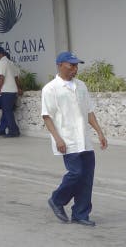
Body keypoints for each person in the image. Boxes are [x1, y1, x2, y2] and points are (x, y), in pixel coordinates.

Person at [43, 52, 107, 227]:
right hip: (67, 139)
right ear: (60, 65)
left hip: (84, 139)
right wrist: (57, 139)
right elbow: (47, 116)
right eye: (71, 65)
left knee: (86, 178)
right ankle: (57, 199)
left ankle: (80, 213)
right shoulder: (50, 88)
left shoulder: (81, 86)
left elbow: (89, 112)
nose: (75, 69)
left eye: (76, 65)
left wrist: (100, 132)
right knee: (76, 173)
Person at [0, 47, 22, 137]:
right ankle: (15, 130)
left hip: (6, 90)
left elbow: (1, 77)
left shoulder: (2, 63)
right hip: (13, 90)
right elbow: (16, 78)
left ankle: (13, 131)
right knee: (8, 111)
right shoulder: (11, 63)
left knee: (7, 112)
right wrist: (18, 88)